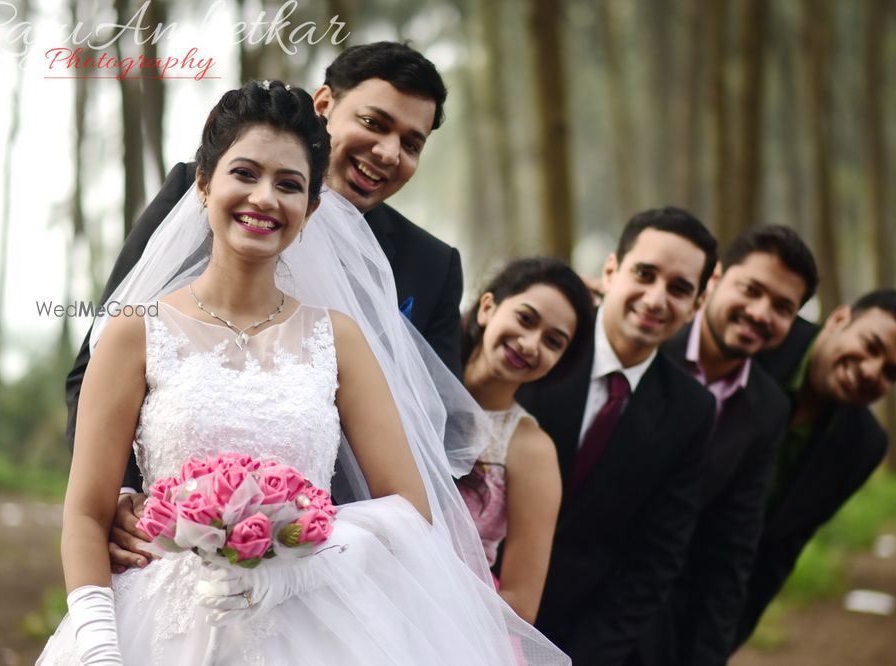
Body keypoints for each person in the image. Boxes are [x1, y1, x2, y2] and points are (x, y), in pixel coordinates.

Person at [39, 82, 567, 665]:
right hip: (157, 630)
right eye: (245, 173)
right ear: (204, 184)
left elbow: (409, 507)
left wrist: (292, 564)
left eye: (289, 184)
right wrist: (99, 652)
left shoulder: (337, 337)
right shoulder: (135, 331)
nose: (265, 198)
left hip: (316, 623)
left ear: (311, 208)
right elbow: (86, 513)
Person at [66, 41, 463, 572]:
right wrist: (115, 497)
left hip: (338, 570)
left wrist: (304, 534)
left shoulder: (430, 265)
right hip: (169, 549)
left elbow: (428, 432)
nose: (389, 151)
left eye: (411, 142)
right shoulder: (198, 193)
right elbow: (97, 369)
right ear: (324, 105)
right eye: (375, 122)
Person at [518, 207, 719, 664]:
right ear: (611, 271)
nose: (655, 298)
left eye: (679, 288)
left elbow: (654, 561)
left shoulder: (691, 411)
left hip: (583, 636)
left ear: (697, 306)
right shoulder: (537, 347)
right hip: (471, 601)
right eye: (644, 274)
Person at [634, 225, 818, 665]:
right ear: (713, 281)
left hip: (661, 621)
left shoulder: (769, 408)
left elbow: (733, 546)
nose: (760, 312)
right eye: (751, 290)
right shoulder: (647, 343)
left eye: (782, 307)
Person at [732, 288, 896, 650]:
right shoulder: (757, 340)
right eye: (872, 346)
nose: (872, 371)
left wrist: (721, 642)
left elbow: (780, 553)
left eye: (891, 372)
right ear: (839, 319)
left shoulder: (864, 446)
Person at [457, 257, 595, 623]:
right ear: (488, 307)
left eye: (553, 341)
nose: (531, 344)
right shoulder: (412, 378)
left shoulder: (532, 450)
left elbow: (521, 601)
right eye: (526, 319)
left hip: (454, 623)